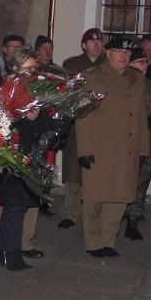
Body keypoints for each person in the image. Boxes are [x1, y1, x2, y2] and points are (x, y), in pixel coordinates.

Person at [77, 36, 149, 258]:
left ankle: (108, 241)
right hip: (101, 147)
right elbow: (83, 115)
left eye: (127, 53)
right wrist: (84, 150)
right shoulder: (93, 76)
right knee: (95, 197)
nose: (123, 57)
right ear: (108, 53)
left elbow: (140, 116)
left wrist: (144, 148)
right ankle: (93, 242)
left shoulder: (137, 78)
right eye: (118, 52)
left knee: (119, 197)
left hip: (127, 147)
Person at [0, 46, 69, 270]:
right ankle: (9, 252)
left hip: (28, 150)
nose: (33, 72)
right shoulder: (9, 87)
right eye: (28, 69)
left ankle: (14, 249)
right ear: (15, 68)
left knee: (21, 204)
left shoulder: (28, 86)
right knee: (14, 205)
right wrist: (32, 119)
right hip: (13, 152)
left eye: (35, 68)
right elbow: (9, 122)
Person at [59, 28, 107, 229]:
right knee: (73, 171)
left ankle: (97, 212)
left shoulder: (108, 63)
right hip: (78, 122)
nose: (96, 45)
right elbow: (65, 91)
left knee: (101, 170)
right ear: (83, 45)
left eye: (99, 42)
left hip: (103, 124)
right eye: (91, 42)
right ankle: (70, 212)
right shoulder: (72, 64)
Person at [123, 47, 151, 240]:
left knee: (142, 180)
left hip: (146, 138)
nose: (145, 66)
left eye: (146, 62)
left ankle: (133, 219)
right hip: (124, 140)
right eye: (141, 62)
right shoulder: (122, 84)